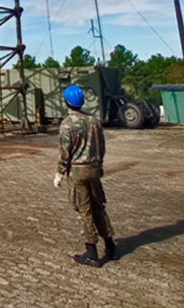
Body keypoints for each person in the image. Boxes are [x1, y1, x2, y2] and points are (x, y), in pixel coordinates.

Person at [54, 84, 116, 267]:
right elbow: (102, 146)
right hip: (94, 170)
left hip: (78, 172)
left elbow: (65, 152)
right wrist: (100, 166)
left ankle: (91, 252)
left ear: (66, 101)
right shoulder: (94, 121)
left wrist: (59, 173)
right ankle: (111, 246)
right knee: (99, 207)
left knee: (85, 210)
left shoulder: (67, 124)